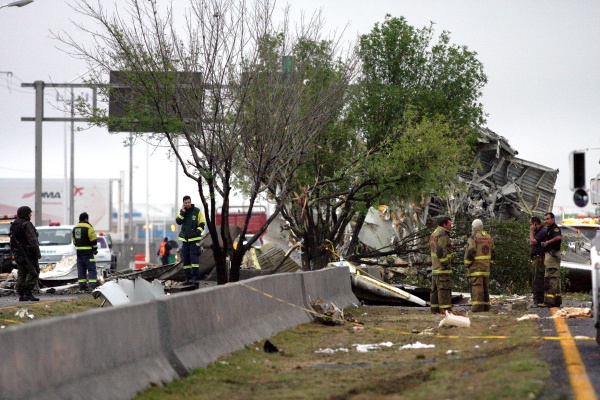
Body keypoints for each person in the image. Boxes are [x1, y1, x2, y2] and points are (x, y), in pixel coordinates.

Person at [9, 206, 41, 301]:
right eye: (29, 213)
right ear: (25, 214)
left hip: (19, 254)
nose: (30, 215)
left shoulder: (14, 224)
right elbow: (33, 240)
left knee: (22, 273)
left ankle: (21, 294)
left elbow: (12, 242)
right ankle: (28, 292)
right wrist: (37, 253)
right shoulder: (26, 224)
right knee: (34, 271)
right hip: (28, 254)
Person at [464, 219, 495, 312]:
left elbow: (471, 250)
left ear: (473, 227)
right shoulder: (489, 237)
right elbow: (493, 252)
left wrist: (467, 263)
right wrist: (490, 263)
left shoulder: (473, 237)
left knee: (477, 287)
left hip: (476, 267)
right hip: (486, 267)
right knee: (485, 288)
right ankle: (486, 307)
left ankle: (477, 308)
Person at [176, 195, 205, 282]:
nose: (188, 204)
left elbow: (202, 223)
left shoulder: (197, 211)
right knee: (186, 260)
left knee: (194, 259)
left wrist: (197, 232)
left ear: (191, 202)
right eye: (186, 203)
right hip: (185, 240)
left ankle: (195, 277)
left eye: (189, 202)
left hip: (194, 239)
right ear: (183, 203)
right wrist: (183, 212)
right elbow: (178, 221)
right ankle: (188, 277)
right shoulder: (182, 212)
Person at [430, 216, 453, 314]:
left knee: (435, 290)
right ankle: (445, 310)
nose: (451, 226)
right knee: (444, 289)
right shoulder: (443, 234)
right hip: (442, 268)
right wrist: (445, 262)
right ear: (444, 224)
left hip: (435, 267)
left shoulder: (434, 233)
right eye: (449, 224)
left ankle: (434, 309)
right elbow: (440, 250)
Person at [72, 212, 98, 292]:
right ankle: (92, 286)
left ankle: (82, 287)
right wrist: (95, 249)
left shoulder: (76, 228)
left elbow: (74, 241)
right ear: (86, 219)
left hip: (79, 253)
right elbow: (93, 240)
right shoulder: (89, 227)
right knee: (91, 269)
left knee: (81, 269)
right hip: (88, 252)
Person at [541, 212, 562, 307]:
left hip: (552, 255)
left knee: (551, 278)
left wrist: (547, 243)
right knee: (555, 278)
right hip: (550, 255)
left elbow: (558, 237)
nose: (546, 221)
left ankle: (549, 301)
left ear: (553, 219)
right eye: (545, 219)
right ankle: (557, 300)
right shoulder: (549, 229)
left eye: (548, 219)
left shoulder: (555, 228)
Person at [529, 216, 547, 307]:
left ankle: (538, 301)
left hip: (540, 259)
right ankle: (537, 300)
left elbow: (532, 242)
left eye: (531, 224)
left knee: (538, 280)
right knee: (535, 279)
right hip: (536, 258)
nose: (530, 227)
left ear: (535, 223)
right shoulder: (539, 232)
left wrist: (531, 231)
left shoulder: (542, 232)